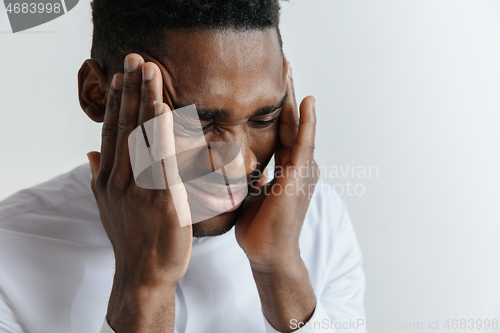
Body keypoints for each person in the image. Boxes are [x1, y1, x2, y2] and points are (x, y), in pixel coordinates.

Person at [0, 1, 366, 332]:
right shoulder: (10, 255)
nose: (239, 164)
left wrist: (280, 270)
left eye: (263, 117)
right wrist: (145, 285)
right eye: (199, 122)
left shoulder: (322, 224)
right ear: (97, 95)